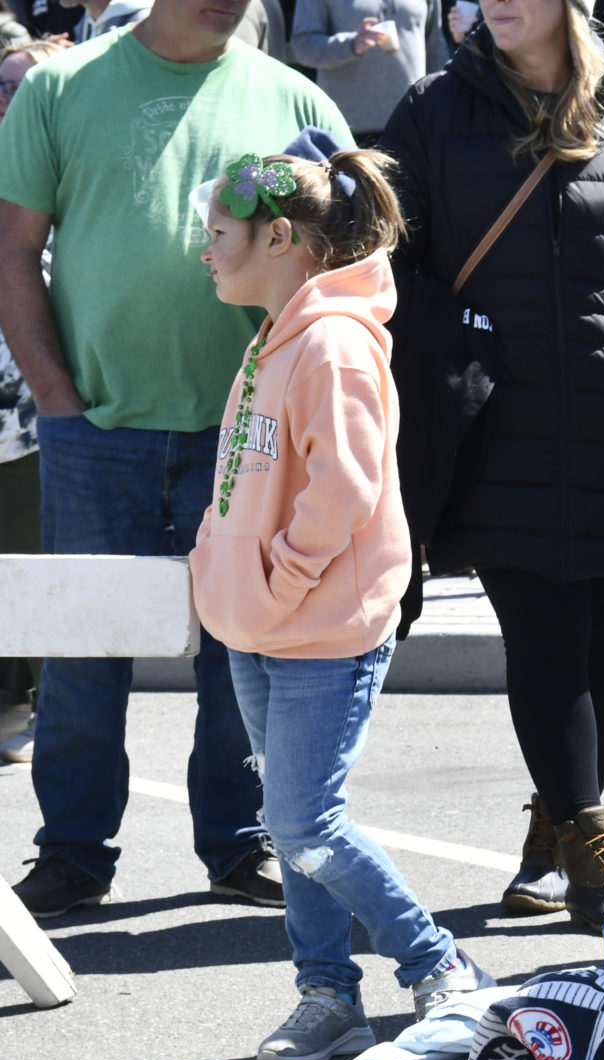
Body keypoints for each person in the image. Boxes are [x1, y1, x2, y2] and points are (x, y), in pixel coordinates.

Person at [380, 0, 604, 931]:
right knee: (543, 644)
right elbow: (395, 263)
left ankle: (557, 828)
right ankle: (589, 854)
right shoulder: (432, 110)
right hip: (499, 428)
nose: (496, 3)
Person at [0, 0, 348, 920]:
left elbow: (342, 263)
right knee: (82, 651)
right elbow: (13, 248)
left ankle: (240, 845)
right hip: (92, 431)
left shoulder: (290, 103)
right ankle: (74, 853)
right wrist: (56, 399)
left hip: (247, 436)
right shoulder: (64, 86)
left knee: (245, 649)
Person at [188, 145, 494, 1060]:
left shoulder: (332, 341)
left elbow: (345, 488)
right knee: (297, 822)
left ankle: (439, 964)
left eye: (218, 234)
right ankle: (328, 997)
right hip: (264, 621)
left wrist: (276, 577)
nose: (205, 252)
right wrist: (225, 568)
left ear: (279, 237)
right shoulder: (278, 332)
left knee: (303, 821)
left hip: (319, 624)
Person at [0, 34, 65, 774]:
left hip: (42, 411)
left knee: (40, 566)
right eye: (4, 86)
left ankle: (44, 702)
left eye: (27, 87)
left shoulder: (70, 169)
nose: (12, 101)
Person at [291, 0, 450, 144]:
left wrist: (440, 107)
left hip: (414, 125)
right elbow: (303, 46)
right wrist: (351, 44)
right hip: (349, 130)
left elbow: (436, 49)